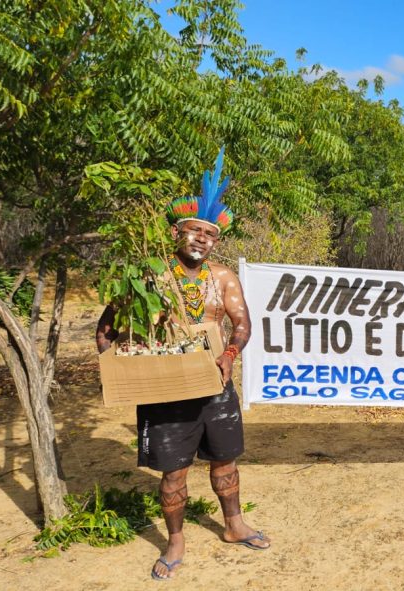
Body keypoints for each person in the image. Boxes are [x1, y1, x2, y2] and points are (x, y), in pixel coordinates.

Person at [96, 148, 269, 581]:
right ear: (176, 232)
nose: (202, 241)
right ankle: (175, 541)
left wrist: (229, 355)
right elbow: (107, 331)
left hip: (215, 386)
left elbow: (243, 325)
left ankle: (233, 525)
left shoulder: (223, 278)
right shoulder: (149, 276)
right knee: (174, 475)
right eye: (195, 232)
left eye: (210, 236)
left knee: (226, 463)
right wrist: (121, 371)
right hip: (165, 391)